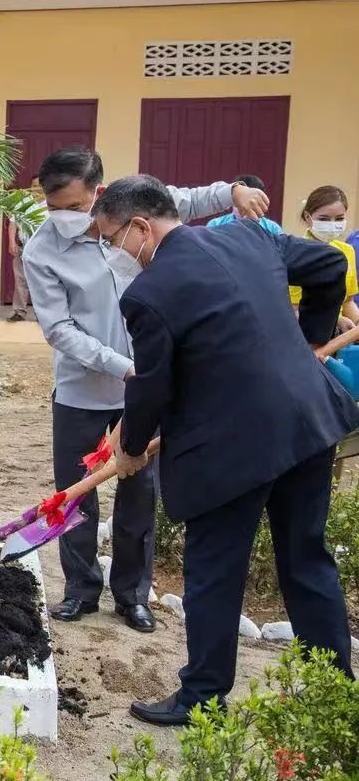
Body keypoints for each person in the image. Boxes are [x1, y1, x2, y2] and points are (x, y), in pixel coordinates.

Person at [95, 174, 358, 725]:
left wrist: (131, 448)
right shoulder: (249, 237)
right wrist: (310, 341)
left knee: (214, 571)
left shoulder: (148, 294)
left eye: (112, 239)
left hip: (231, 449)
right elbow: (330, 266)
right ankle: (332, 689)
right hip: (306, 424)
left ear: (141, 227)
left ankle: (202, 696)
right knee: (306, 559)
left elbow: (152, 385)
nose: (113, 251)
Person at [21, 145, 271, 634]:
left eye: (75, 207)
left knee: (138, 494)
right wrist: (125, 368)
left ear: (99, 192)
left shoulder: (132, 209)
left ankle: (132, 595)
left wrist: (233, 191)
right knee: (76, 496)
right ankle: (80, 590)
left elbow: (186, 201)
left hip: (145, 393)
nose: (64, 217)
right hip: (80, 392)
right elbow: (59, 329)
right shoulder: (41, 250)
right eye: (54, 207)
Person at [292, 186, 357, 331]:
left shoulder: (347, 251)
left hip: (339, 334)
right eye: (324, 219)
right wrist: (337, 320)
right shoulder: (296, 253)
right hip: (305, 333)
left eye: (339, 218)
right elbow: (293, 309)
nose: (332, 224)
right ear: (308, 217)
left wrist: (357, 321)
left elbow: (348, 302)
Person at [5, 175, 48, 322]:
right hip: (23, 247)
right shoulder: (23, 203)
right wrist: (12, 242)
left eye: (39, 185)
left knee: (41, 281)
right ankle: (19, 311)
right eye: (34, 185)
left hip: (43, 250)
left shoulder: (51, 204)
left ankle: (41, 313)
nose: (36, 188)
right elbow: (13, 223)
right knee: (20, 280)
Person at [206, 174, 284, 234]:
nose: (245, 206)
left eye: (252, 202)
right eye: (239, 201)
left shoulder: (273, 229)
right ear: (231, 198)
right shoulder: (215, 225)